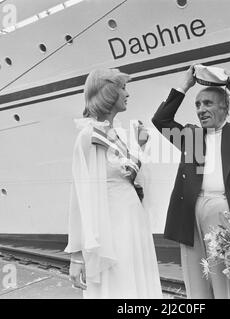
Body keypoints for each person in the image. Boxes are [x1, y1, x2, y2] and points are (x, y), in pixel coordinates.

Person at [152, 65, 230, 298]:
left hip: (225, 212)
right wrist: (183, 87)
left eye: (207, 103)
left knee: (225, 277)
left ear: (224, 107)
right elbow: (161, 119)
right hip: (191, 212)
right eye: (197, 105)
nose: (201, 109)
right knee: (195, 277)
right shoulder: (192, 137)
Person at [65, 68, 162, 298]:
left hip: (133, 223)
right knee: (121, 287)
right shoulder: (88, 137)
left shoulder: (118, 133)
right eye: (123, 88)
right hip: (111, 230)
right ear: (109, 92)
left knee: (137, 285)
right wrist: (77, 254)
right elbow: (79, 195)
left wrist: (140, 147)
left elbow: (133, 179)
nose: (127, 94)